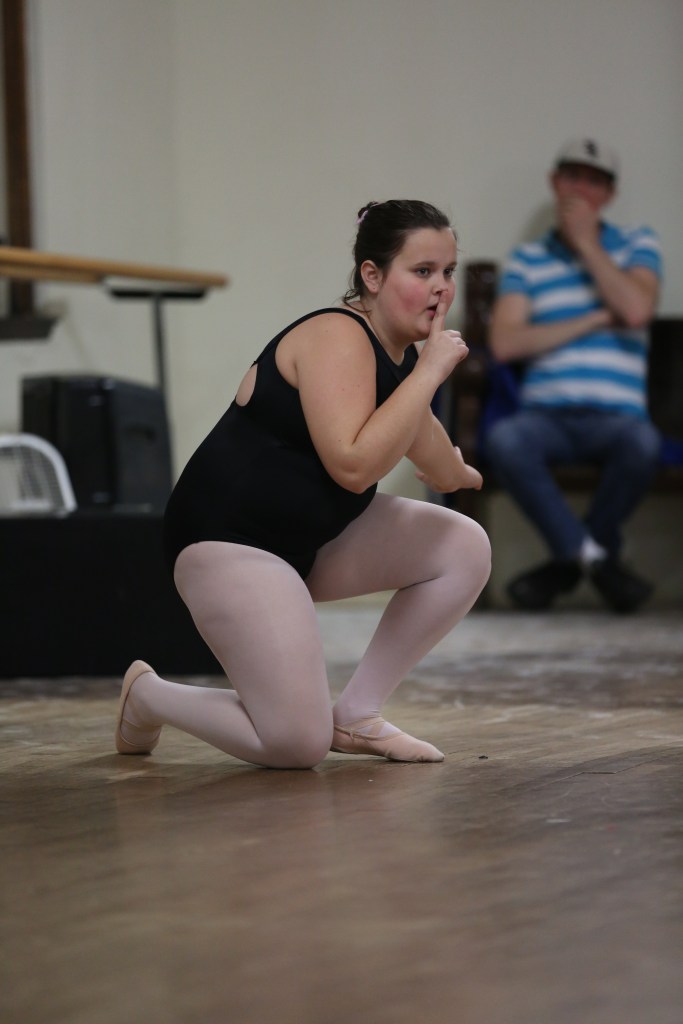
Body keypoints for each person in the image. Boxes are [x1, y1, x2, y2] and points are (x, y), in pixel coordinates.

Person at [115, 199, 491, 769]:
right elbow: (353, 467)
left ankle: (358, 713)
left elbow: (436, 460)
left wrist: (461, 471)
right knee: (295, 744)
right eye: (423, 271)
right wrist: (432, 371)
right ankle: (149, 696)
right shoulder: (337, 335)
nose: (441, 288)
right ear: (372, 275)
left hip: (309, 540)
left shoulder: (400, 361)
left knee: (463, 546)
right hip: (229, 542)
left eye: (448, 271)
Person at [485, 139, 663, 613]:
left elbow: (636, 309)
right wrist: (594, 318)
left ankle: (569, 562)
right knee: (505, 440)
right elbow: (505, 344)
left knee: (644, 444)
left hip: (619, 420)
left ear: (610, 194)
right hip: (546, 418)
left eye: (595, 181)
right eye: (573, 177)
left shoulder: (638, 243)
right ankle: (599, 561)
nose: (582, 189)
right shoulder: (528, 259)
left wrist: (586, 243)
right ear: (554, 182)